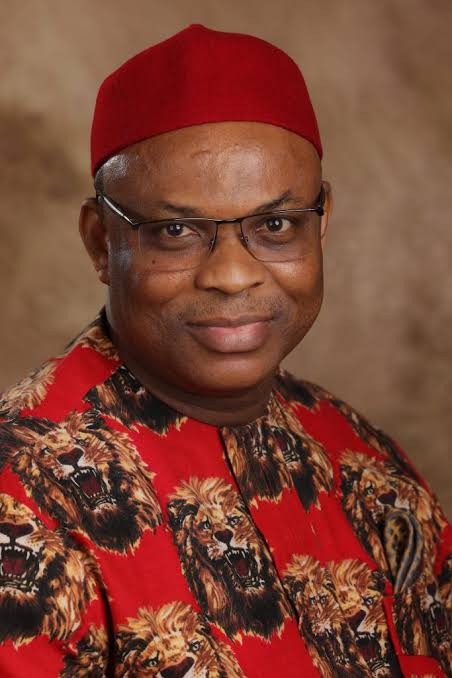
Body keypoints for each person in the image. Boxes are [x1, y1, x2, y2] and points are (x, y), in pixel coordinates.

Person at [0, 23, 450, 678]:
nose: (234, 275)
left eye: (275, 225)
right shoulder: (23, 500)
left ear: (321, 224)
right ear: (101, 242)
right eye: (176, 230)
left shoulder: (368, 466)